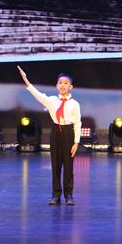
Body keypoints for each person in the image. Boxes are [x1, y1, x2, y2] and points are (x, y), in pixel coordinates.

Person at [18, 67, 81, 205]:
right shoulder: (52, 100)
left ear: (71, 87)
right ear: (56, 85)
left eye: (66, 83)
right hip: (56, 132)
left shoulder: (74, 104)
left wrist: (76, 142)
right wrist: (25, 79)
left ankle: (69, 195)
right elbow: (37, 95)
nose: (62, 85)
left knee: (68, 166)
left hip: (68, 133)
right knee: (56, 165)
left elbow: (77, 123)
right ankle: (56, 195)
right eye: (60, 83)